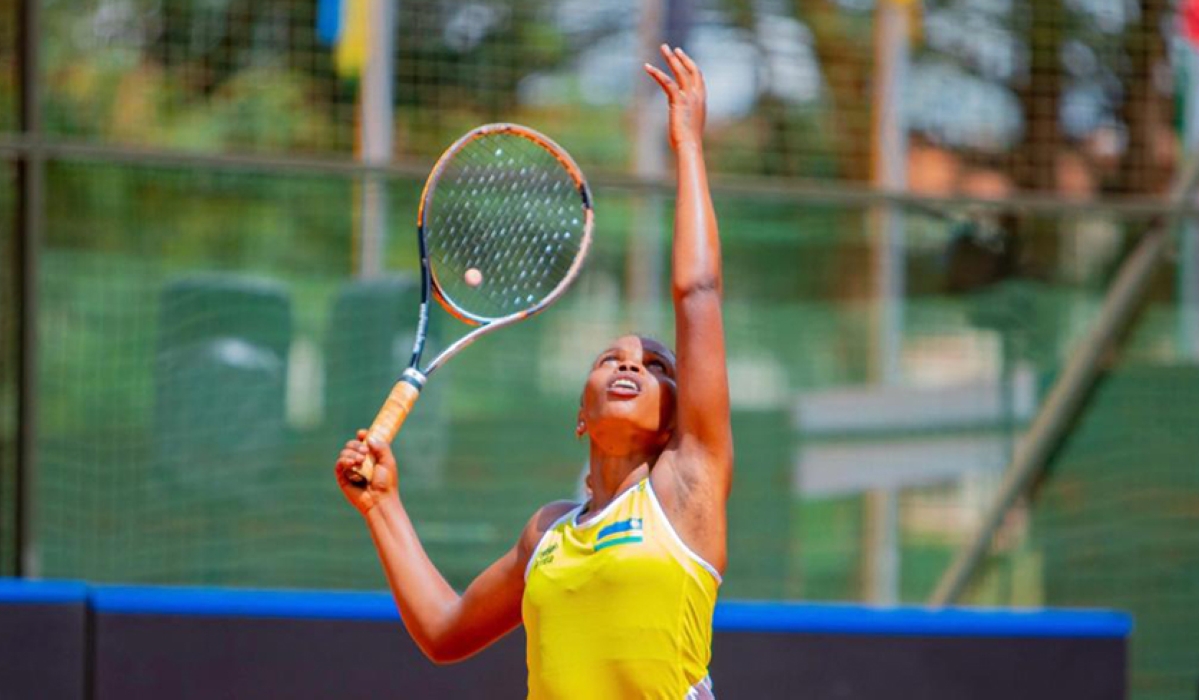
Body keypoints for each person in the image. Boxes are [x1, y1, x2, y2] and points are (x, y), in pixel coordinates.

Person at [335, 44, 731, 700]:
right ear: (581, 415)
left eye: (655, 365)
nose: (629, 362)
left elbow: (697, 292)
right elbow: (442, 631)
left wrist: (687, 142)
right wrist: (380, 505)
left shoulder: (688, 489)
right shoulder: (546, 531)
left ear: (676, 420)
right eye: (610, 359)